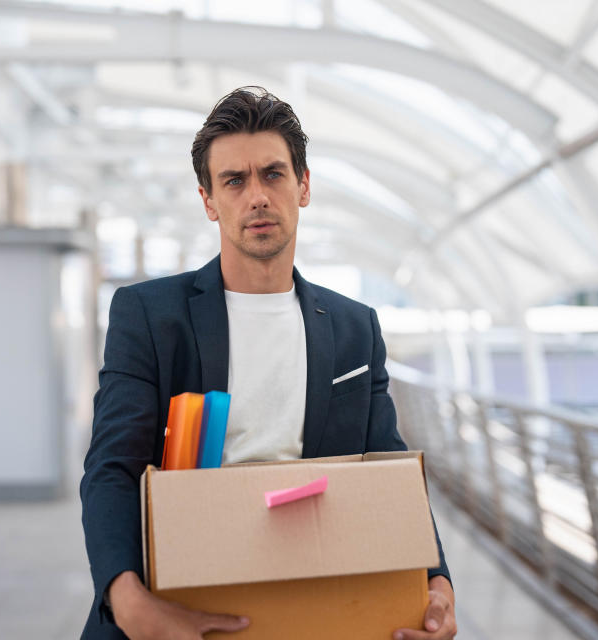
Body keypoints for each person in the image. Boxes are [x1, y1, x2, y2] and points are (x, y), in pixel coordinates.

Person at [80, 86, 456, 640]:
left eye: (273, 174)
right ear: (209, 201)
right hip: (180, 598)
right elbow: (112, 469)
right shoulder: (150, 316)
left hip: (313, 599)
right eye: (234, 181)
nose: (256, 196)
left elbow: (389, 467)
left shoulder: (355, 327)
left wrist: (437, 578)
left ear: (303, 186)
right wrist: (131, 605)